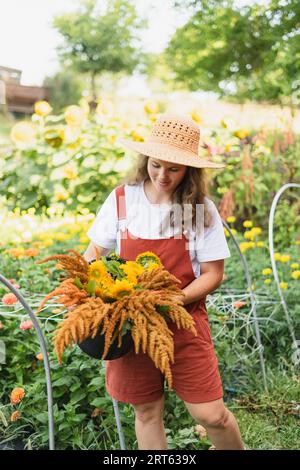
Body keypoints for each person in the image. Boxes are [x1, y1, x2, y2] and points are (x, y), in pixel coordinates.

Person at [84, 113, 245, 450]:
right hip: (131, 326)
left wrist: (174, 300)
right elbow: (95, 252)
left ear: (189, 170)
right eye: (157, 165)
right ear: (146, 160)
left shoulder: (196, 207)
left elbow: (214, 273)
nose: (163, 176)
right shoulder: (123, 199)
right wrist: (89, 295)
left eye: (174, 169)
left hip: (183, 321)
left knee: (211, 414)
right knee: (145, 410)